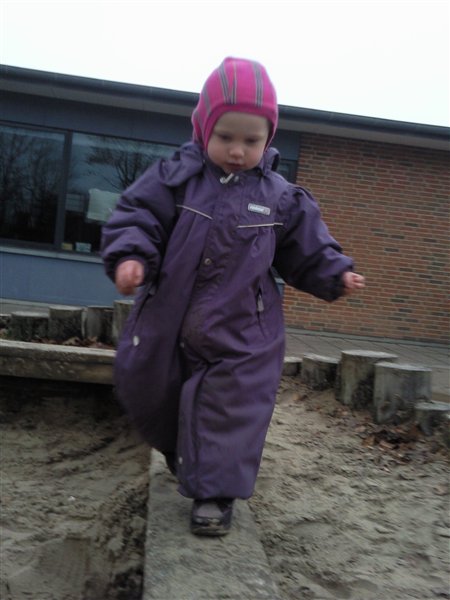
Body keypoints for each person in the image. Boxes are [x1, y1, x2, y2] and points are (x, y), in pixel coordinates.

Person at [101, 57, 365, 536]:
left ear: (269, 139)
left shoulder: (280, 197)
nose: (238, 151)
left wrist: (335, 273)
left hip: (243, 328)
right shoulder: (174, 178)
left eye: (252, 140)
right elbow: (137, 216)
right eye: (226, 137)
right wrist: (129, 257)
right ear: (204, 128)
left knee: (231, 407)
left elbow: (307, 246)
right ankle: (181, 452)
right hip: (169, 316)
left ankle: (215, 494)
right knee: (148, 388)